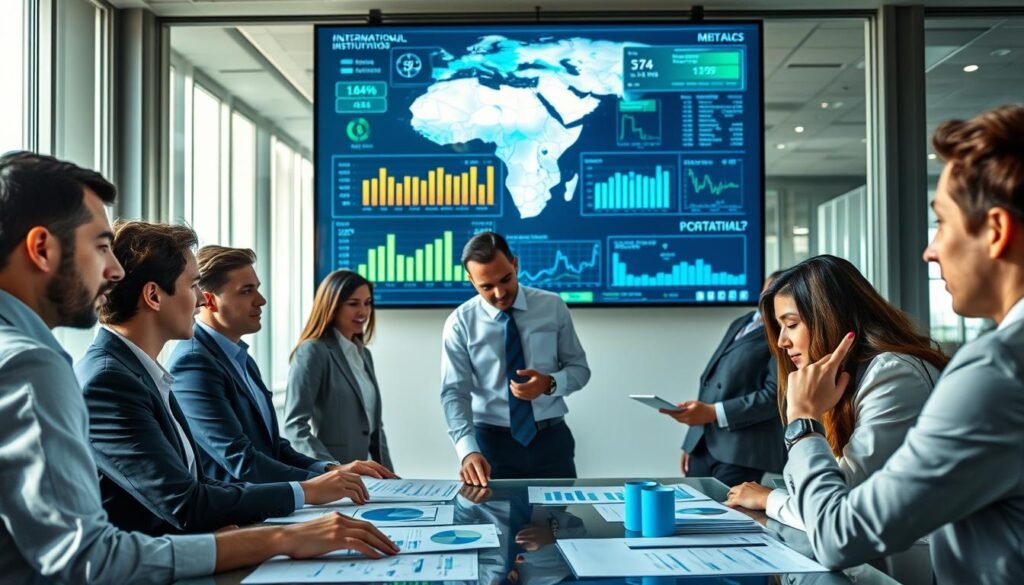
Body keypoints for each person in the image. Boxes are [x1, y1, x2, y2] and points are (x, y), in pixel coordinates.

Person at [0, 152, 396, 583]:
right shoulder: (39, 365)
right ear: (41, 249)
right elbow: (92, 555)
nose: (112, 270)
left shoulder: (124, 369)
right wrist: (279, 538)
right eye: (99, 247)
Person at [779, 105, 1024, 583]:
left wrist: (803, 424)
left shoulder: (998, 371)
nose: (930, 250)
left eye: (942, 222)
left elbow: (838, 536)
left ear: (995, 232)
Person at [76, 220, 385, 536]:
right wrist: (304, 494)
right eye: (193, 285)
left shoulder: (140, 370)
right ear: (154, 296)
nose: (200, 299)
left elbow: (194, 482)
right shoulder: (110, 381)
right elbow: (186, 502)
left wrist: (314, 483)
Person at [723, 255, 946, 534]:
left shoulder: (893, 375)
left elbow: (832, 514)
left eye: (791, 324)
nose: (782, 342)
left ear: (831, 318)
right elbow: (810, 494)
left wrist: (802, 420)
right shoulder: (839, 380)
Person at [168, 246, 395, 485]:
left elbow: (272, 446)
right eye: (247, 291)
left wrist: (330, 469)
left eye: (257, 289)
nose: (261, 300)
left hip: (265, 503)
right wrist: (320, 483)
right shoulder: (194, 363)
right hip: (236, 515)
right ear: (209, 301)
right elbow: (241, 461)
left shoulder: (239, 357)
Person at [441, 231, 591, 486]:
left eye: (505, 279)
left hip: (551, 442)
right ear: (471, 280)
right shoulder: (460, 322)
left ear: (515, 264)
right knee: (493, 526)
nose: (499, 293)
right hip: (490, 446)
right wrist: (468, 451)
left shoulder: (552, 306)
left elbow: (580, 369)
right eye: (486, 287)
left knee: (557, 524)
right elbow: (454, 393)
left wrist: (549, 384)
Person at [662, 272, 786, 486]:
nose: (766, 296)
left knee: (725, 517)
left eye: (775, 292)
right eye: (765, 290)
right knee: (691, 512)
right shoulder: (743, 321)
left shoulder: (783, 334)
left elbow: (774, 396)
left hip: (741, 451)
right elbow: (710, 382)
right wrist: (691, 443)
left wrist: (713, 413)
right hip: (704, 445)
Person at [284, 269, 394, 470]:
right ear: (332, 306)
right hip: (330, 477)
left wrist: (391, 478)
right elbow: (295, 426)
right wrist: (331, 468)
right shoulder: (313, 351)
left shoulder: (364, 354)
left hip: (367, 478)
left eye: (367, 303)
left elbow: (375, 429)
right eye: (353, 304)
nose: (363, 312)